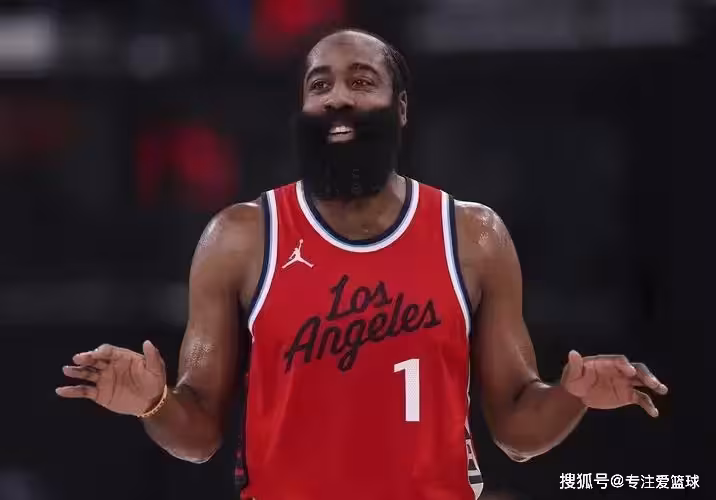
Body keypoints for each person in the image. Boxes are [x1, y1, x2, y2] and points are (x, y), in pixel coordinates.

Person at [56, 29, 668, 500]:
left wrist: (571, 395)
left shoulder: (472, 236)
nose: (339, 97)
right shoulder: (240, 238)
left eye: (360, 80)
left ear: (400, 108)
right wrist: (154, 403)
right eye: (319, 85)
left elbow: (516, 429)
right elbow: (198, 434)